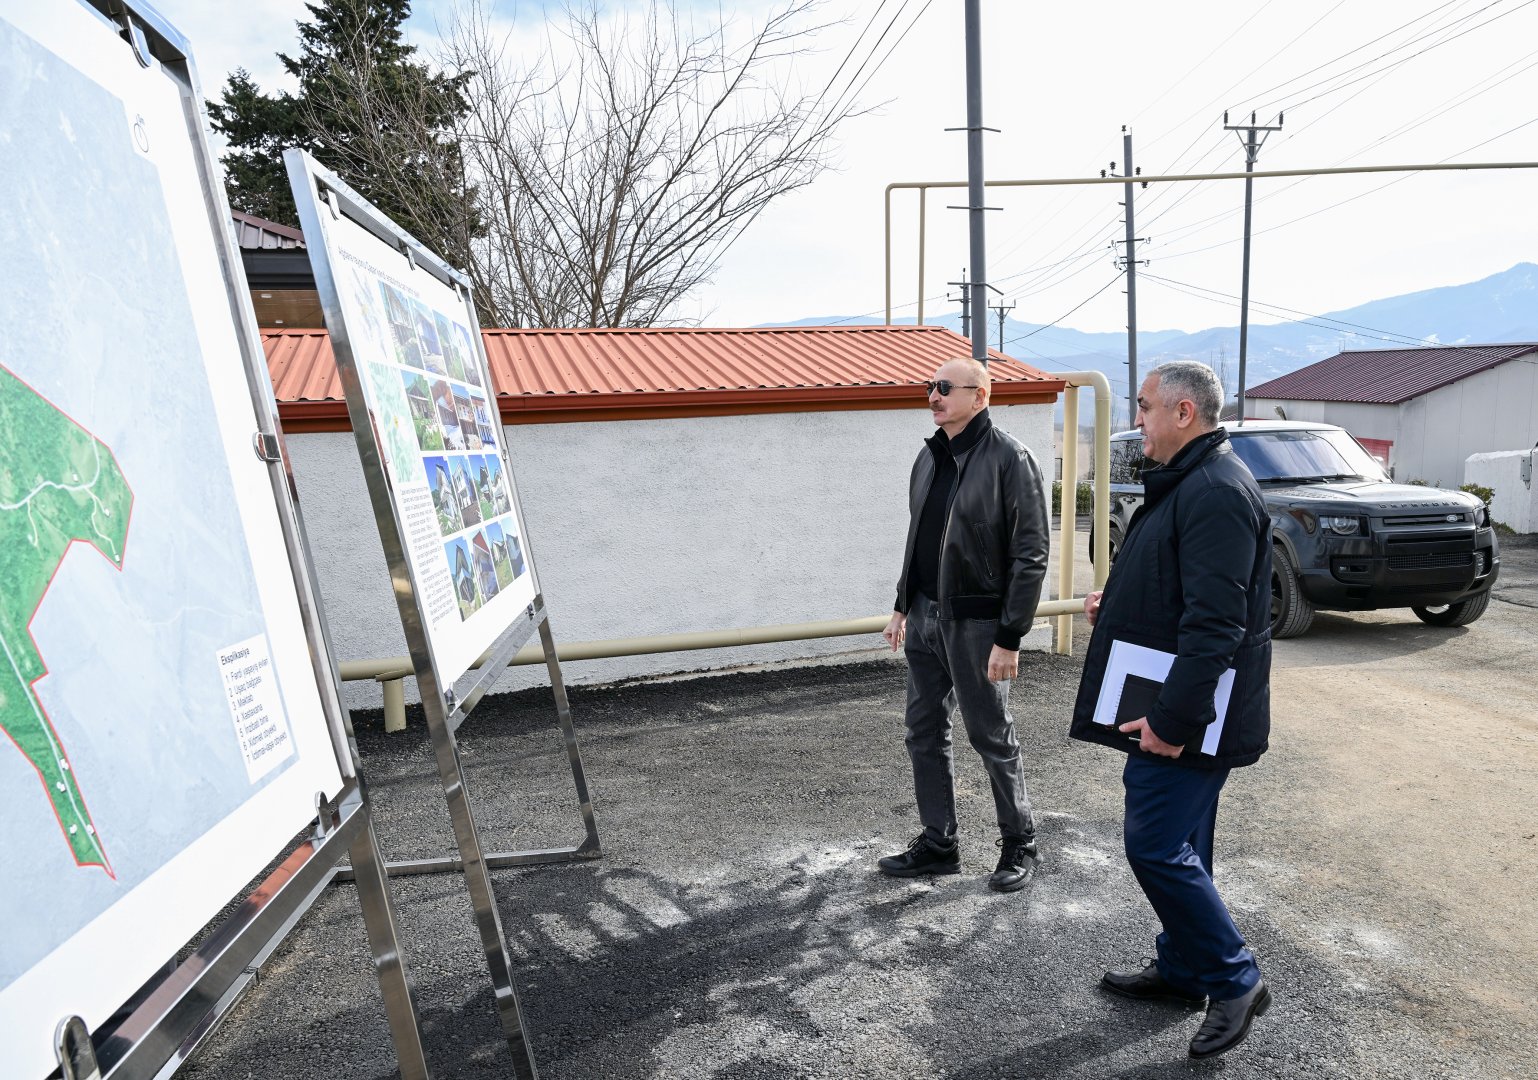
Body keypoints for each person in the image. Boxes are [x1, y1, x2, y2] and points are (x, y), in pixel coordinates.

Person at [1071, 360, 1273, 1060]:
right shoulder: (1193, 480)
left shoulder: (1214, 491)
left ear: (1184, 413)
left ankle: (1235, 978)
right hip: (1189, 710)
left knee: (1154, 843)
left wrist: (1171, 724)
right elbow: (1179, 586)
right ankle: (1187, 969)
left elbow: (1217, 627)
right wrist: (1116, 600)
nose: (1139, 421)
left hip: (1190, 717)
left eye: (1147, 407)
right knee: (1187, 841)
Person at [879, 356, 1050, 892]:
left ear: (980, 396)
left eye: (945, 388)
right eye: (930, 386)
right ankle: (938, 843)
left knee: (990, 734)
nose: (934, 395)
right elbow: (919, 538)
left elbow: (1031, 554)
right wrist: (903, 605)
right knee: (922, 732)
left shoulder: (1010, 458)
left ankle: (1020, 842)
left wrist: (1010, 636)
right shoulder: (929, 458)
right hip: (926, 615)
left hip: (978, 624)